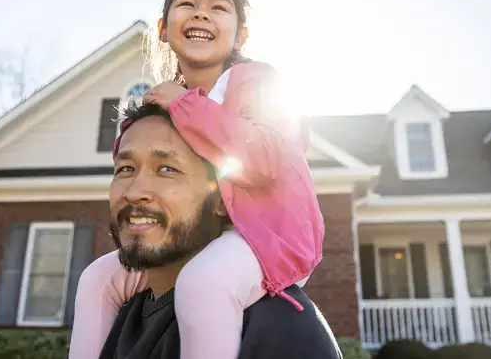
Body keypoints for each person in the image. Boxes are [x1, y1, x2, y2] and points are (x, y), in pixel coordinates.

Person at [69, 0, 324, 359]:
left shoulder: (255, 82)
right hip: (203, 234)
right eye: (186, 3)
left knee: (203, 284)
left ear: (241, 35)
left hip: (266, 237)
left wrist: (185, 105)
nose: (201, 13)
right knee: (97, 279)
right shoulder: (170, 97)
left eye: (218, 7)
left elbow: (263, 159)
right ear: (164, 28)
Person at [99, 102, 341, 359]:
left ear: (221, 199)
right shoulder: (116, 319)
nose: (135, 192)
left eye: (167, 169)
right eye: (126, 169)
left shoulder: (281, 327)